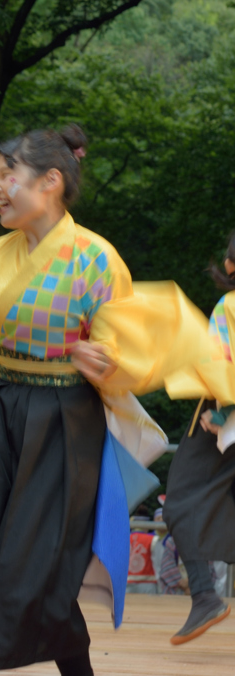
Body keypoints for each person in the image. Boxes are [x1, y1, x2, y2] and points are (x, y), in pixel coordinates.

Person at [0, 125, 203, 675]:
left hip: (64, 422)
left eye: (8, 175)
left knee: (34, 569)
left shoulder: (97, 259)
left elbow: (124, 347)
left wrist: (104, 361)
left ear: (52, 181)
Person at [160, 233, 235, 644]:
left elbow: (226, 363)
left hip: (221, 421)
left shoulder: (230, 306)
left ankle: (205, 595)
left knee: (183, 501)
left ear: (230, 266)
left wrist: (223, 411)